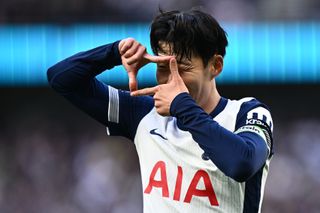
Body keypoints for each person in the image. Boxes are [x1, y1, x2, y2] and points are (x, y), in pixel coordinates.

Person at [47, 9, 273, 213]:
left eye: (182, 68)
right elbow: (61, 78)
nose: (170, 80)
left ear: (215, 66)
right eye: (163, 67)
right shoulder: (144, 113)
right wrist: (115, 52)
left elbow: (241, 164)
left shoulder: (247, 112)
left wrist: (182, 105)